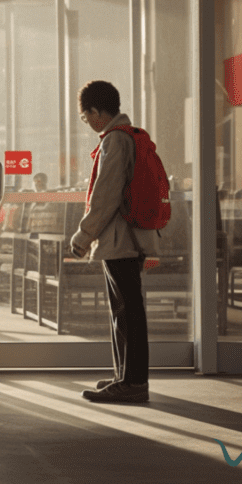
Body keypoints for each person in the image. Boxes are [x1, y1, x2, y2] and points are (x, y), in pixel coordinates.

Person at [70, 81, 159, 404]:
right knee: (125, 310)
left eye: (86, 117)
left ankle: (132, 381)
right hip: (130, 236)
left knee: (127, 312)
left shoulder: (115, 140)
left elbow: (105, 196)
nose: (87, 123)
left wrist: (83, 237)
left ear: (97, 111)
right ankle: (125, 376)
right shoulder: (129, 136)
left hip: (121, 239)